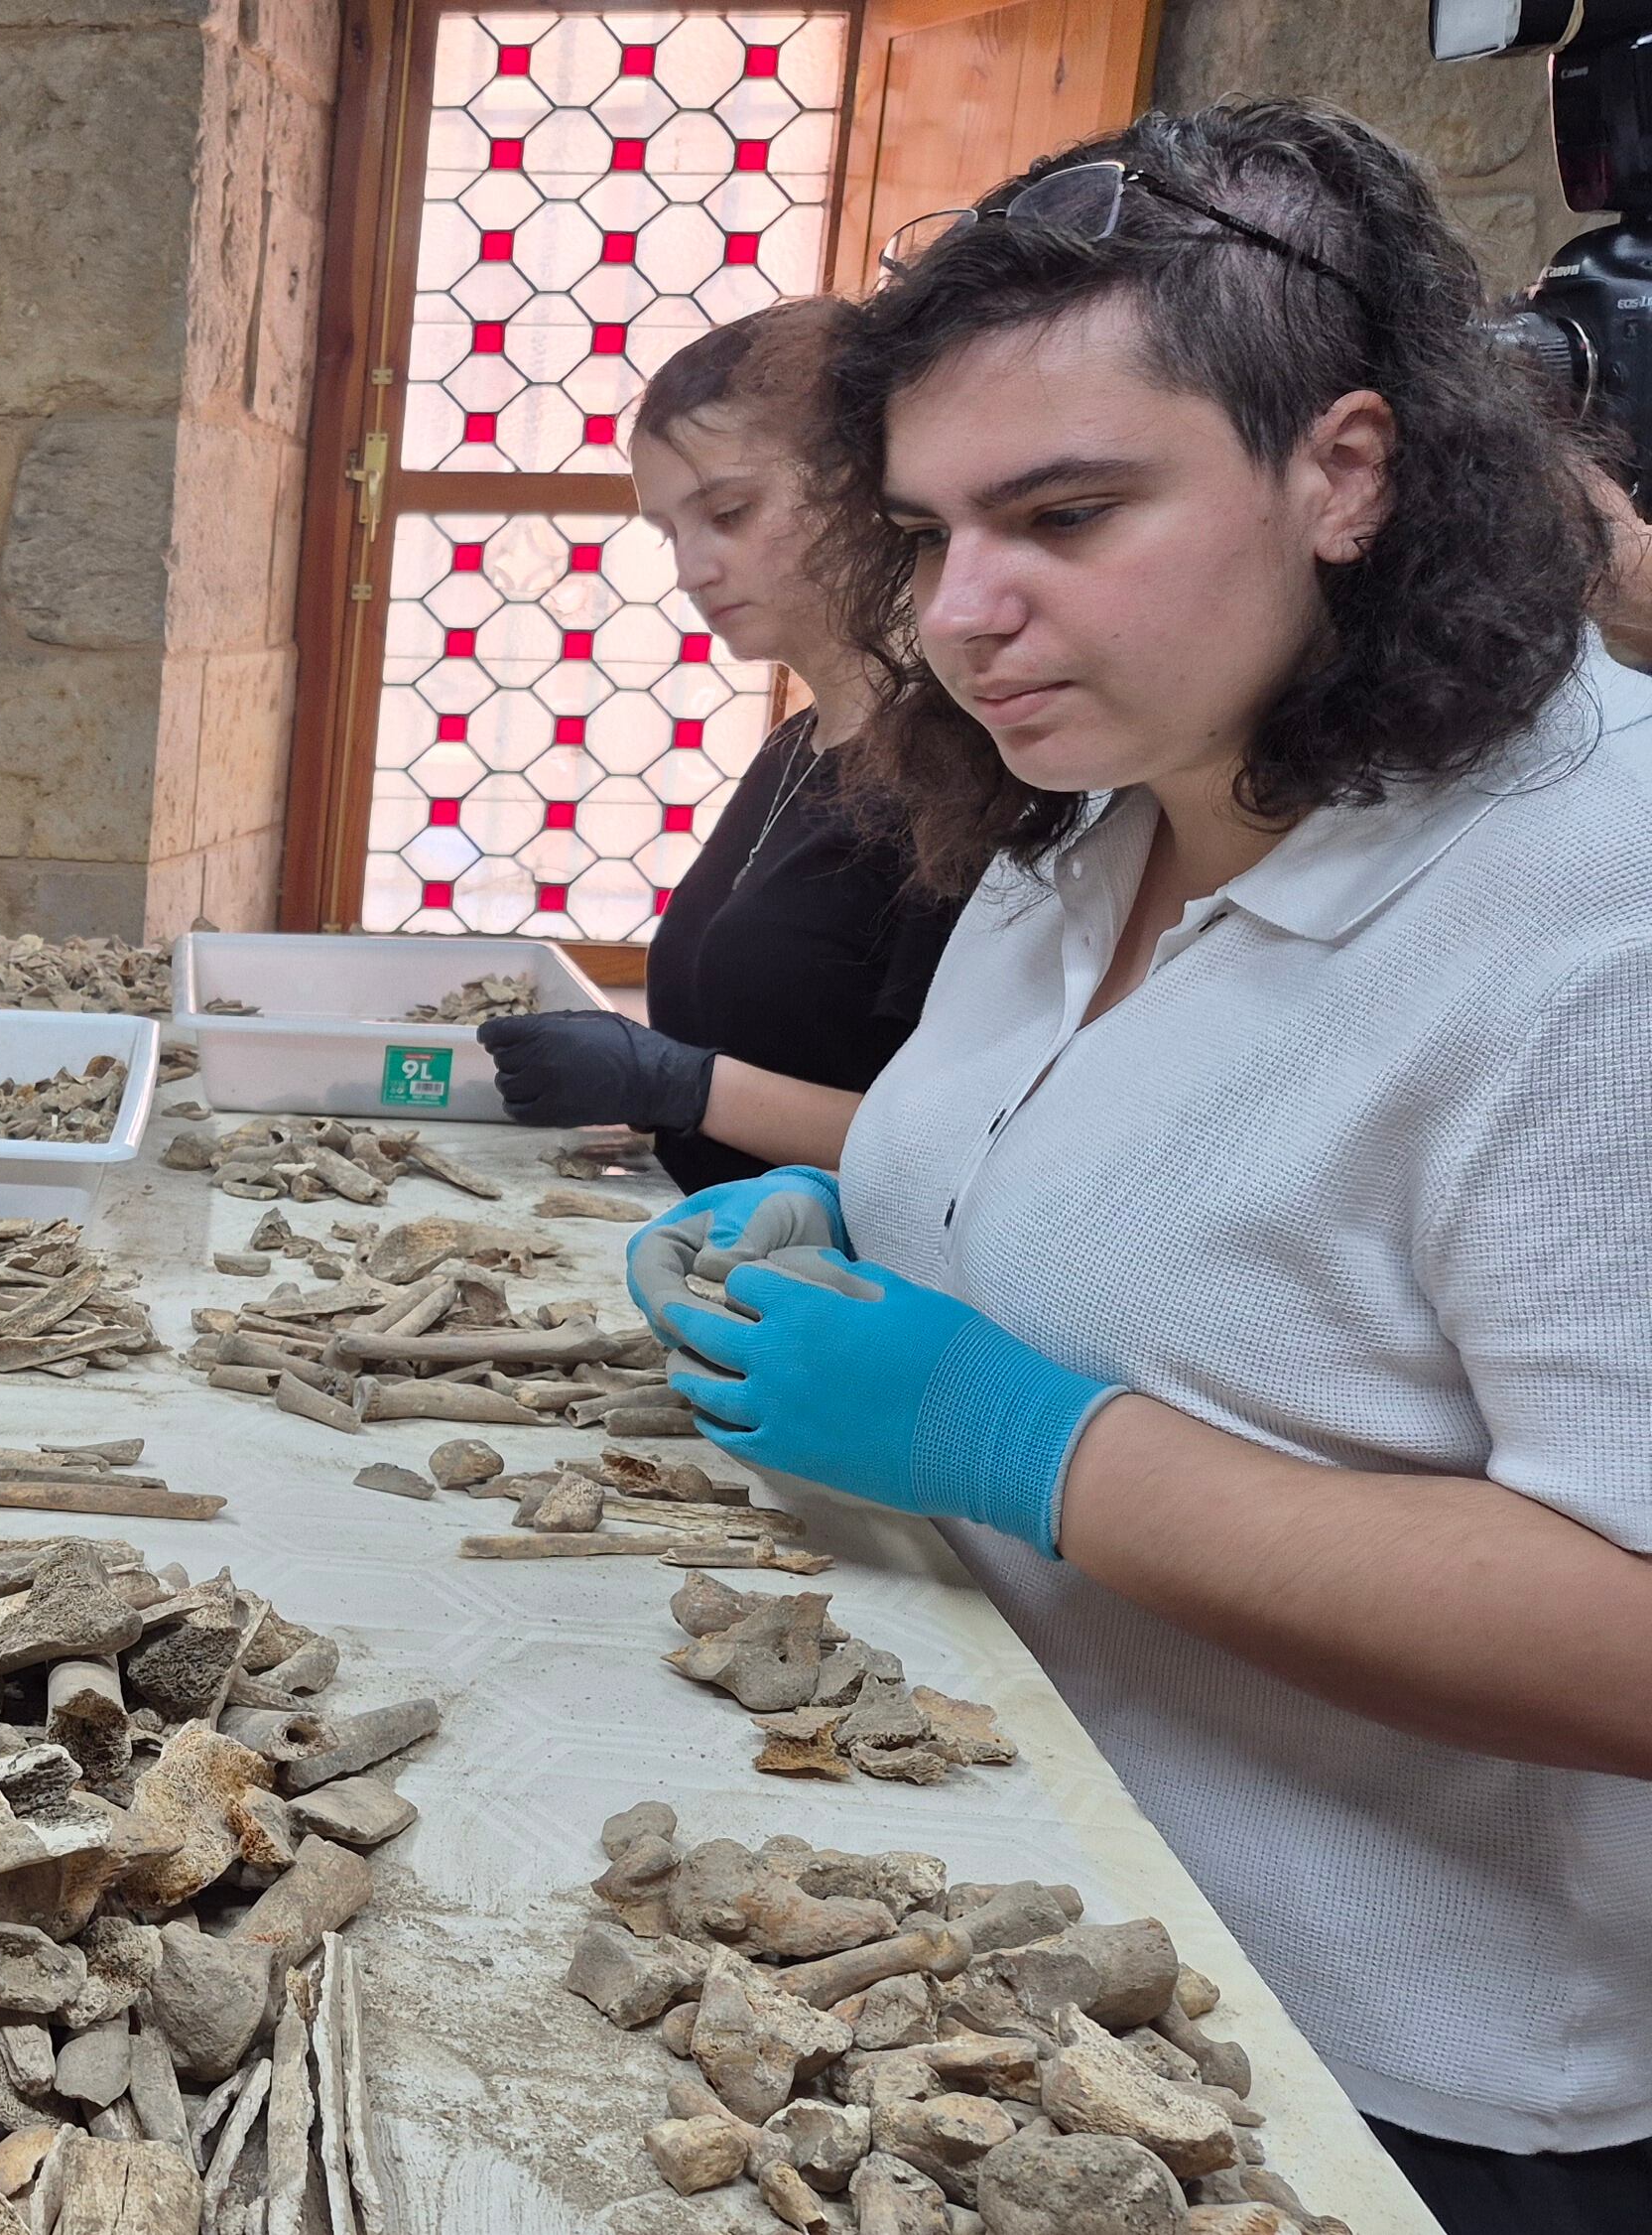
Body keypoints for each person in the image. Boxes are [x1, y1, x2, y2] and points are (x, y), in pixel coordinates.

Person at [633, 101, 1652, 2227]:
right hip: (1011, 1935)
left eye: (1065, 513)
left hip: (1371, 2075)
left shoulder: (1594, 908)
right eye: (921, 534)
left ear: (1341, 470)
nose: (958, 612)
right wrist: (864, 1223)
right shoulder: (1108, 799)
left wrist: (1019, 1434)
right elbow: (1178, 1225)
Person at [477, 302, 959, 1191]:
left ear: (868, 491)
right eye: (669, 533)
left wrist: (678, 1086)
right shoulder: (796, 747)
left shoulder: (963, 772)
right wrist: (657, 1110)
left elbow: (953, 1153)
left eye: (729, 513)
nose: (690, 568)